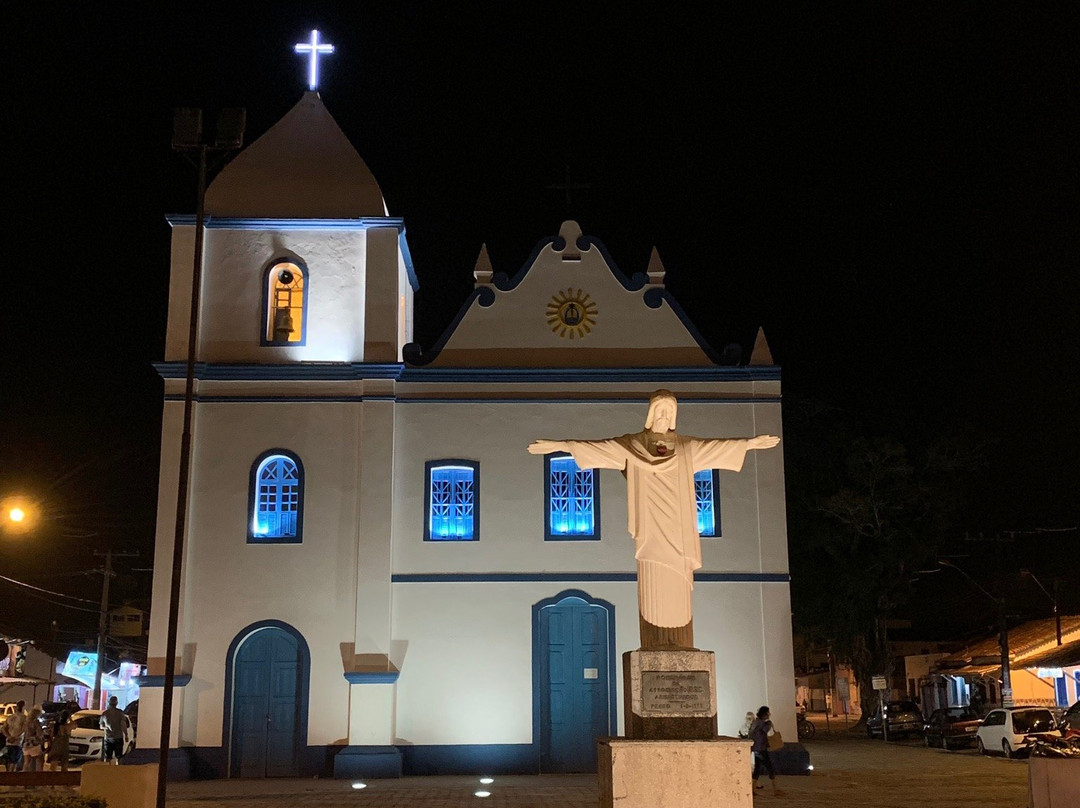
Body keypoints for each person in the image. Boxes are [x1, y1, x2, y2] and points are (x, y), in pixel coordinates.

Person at [528, 390, 780, 648]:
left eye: (668, 411)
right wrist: (563, 446)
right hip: (650, 529)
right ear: (649, 414)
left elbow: (716, 448)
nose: (663, 415)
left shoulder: (685, 447)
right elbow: (601, 448)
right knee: (653, 582)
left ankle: (678, 643)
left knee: (678, 586)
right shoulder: (633, 446)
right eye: (659, 410)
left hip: (678, 529)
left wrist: (749, 444)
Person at [749, 705, 782, 796]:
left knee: (757, 769)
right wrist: (769, 723)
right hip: (761, 748)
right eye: (768, 712)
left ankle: (752, 789)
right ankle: (776, 789)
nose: (769, 714)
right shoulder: (762, 723)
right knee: (770, 768)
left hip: (756, 748)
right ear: (765, 713)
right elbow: (766, 730)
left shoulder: (756, 722)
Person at [99, 696, 128, 764]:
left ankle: (107, 771)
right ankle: (117, 771)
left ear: (109, 703)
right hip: (118, 737)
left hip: (108, 737)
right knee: (119, 757)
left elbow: (101, 726)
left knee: (107, 757)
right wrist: (126, 735)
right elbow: (123, 724)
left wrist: (107, 727)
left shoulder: (105, 713)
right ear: (116, 703)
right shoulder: (120, 713)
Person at [2, 700, 28, 772]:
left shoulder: (10, 717)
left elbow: (4, 728)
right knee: (15, 761)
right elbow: (24, 729)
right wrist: (15, 737)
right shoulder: (24, 718)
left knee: (9, 760)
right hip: (17, 742)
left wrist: (9, 737)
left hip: (9, 741)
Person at [21, 706, 45, 773]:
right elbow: (39, 733)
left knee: (26, 762)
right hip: (34, 743)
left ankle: (24, 776)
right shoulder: (36, 722)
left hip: (26, 743)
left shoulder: (26, 722)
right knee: (40, 760)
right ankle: (39, 777)